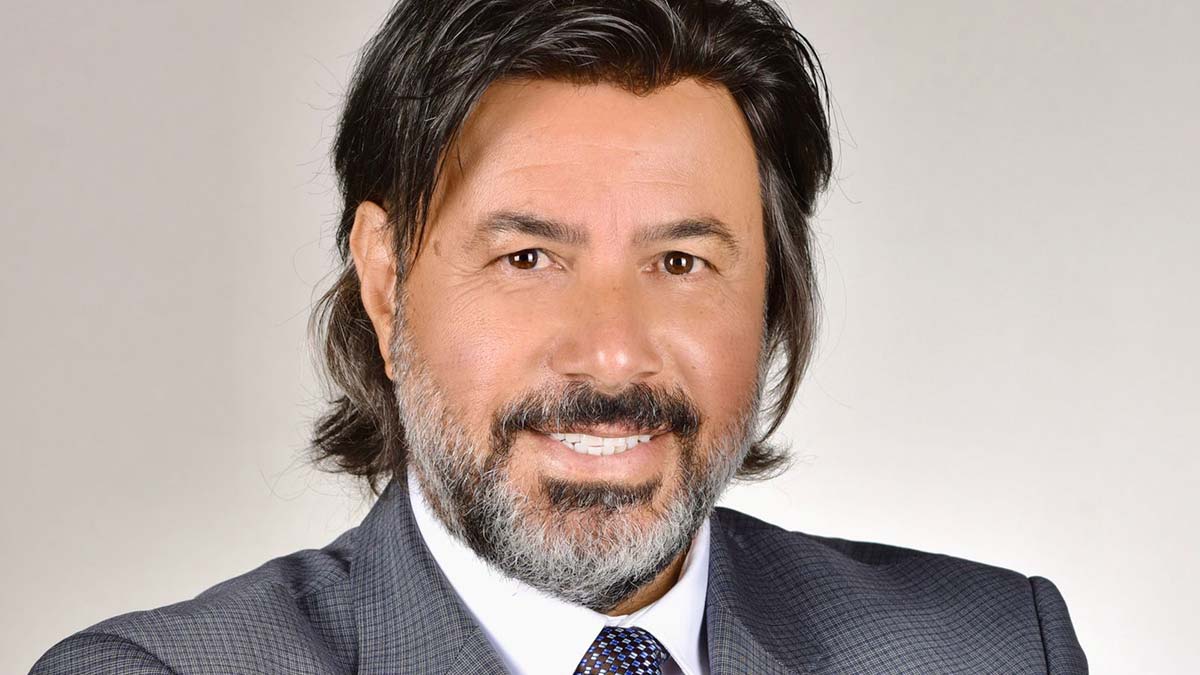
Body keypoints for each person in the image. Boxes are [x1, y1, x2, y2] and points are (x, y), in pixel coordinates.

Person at [32, 0, 1087, 673]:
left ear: (774, 291)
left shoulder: (993, 647)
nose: (613, 353)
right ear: (385, 283)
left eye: (682, 262)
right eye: (528, 258)